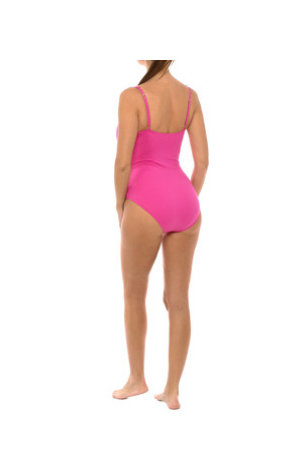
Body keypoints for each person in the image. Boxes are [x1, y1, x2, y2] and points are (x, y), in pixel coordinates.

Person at [113, 60, 209, 410]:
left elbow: (123, 163)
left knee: (134, 295)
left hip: (144, 200)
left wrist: (120, 206)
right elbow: (203, 162)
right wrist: (185, 199)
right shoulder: (190, 97)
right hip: (184, 200)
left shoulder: (132, 96)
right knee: (178, 300)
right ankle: (172, 391)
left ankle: (137, 379)